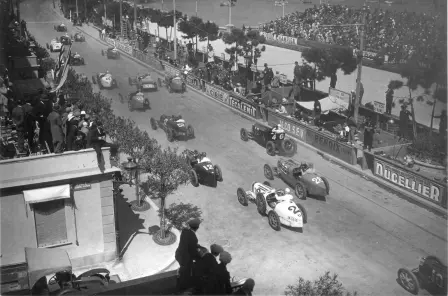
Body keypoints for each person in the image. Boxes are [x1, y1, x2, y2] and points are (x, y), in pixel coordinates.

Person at [175, 218, 201, 292]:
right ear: (197, 228)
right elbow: (193, 252)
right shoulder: (194, 238)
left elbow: (186, 243)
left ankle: (180, 274)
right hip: (185, 259)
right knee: (187, 272)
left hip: (178, 254)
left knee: (184, 268)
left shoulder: (184, 231)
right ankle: (182, 287)